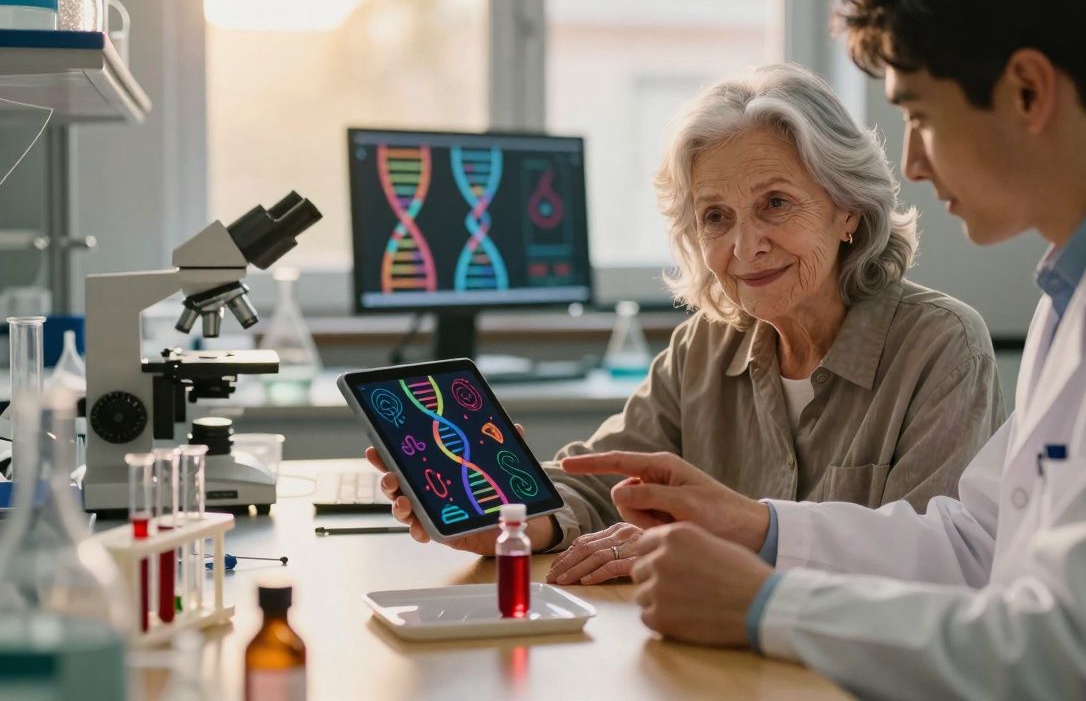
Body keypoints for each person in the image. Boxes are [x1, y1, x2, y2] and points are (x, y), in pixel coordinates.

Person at [558, 0, 1086, 697]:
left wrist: (763, 606)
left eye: (918, 115)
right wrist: (759, 527)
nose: (911, 163)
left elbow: (1081, 655)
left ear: (1027, 90)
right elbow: (974, 543)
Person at [367, 63, 1007, 585]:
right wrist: (510, 524)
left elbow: (933, 569)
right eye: (715, 217)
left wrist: (716, 546)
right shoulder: (705, 345)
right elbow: (597, 482)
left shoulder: (941, 347)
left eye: (774, 204)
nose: (744, 246)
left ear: (849, 211)